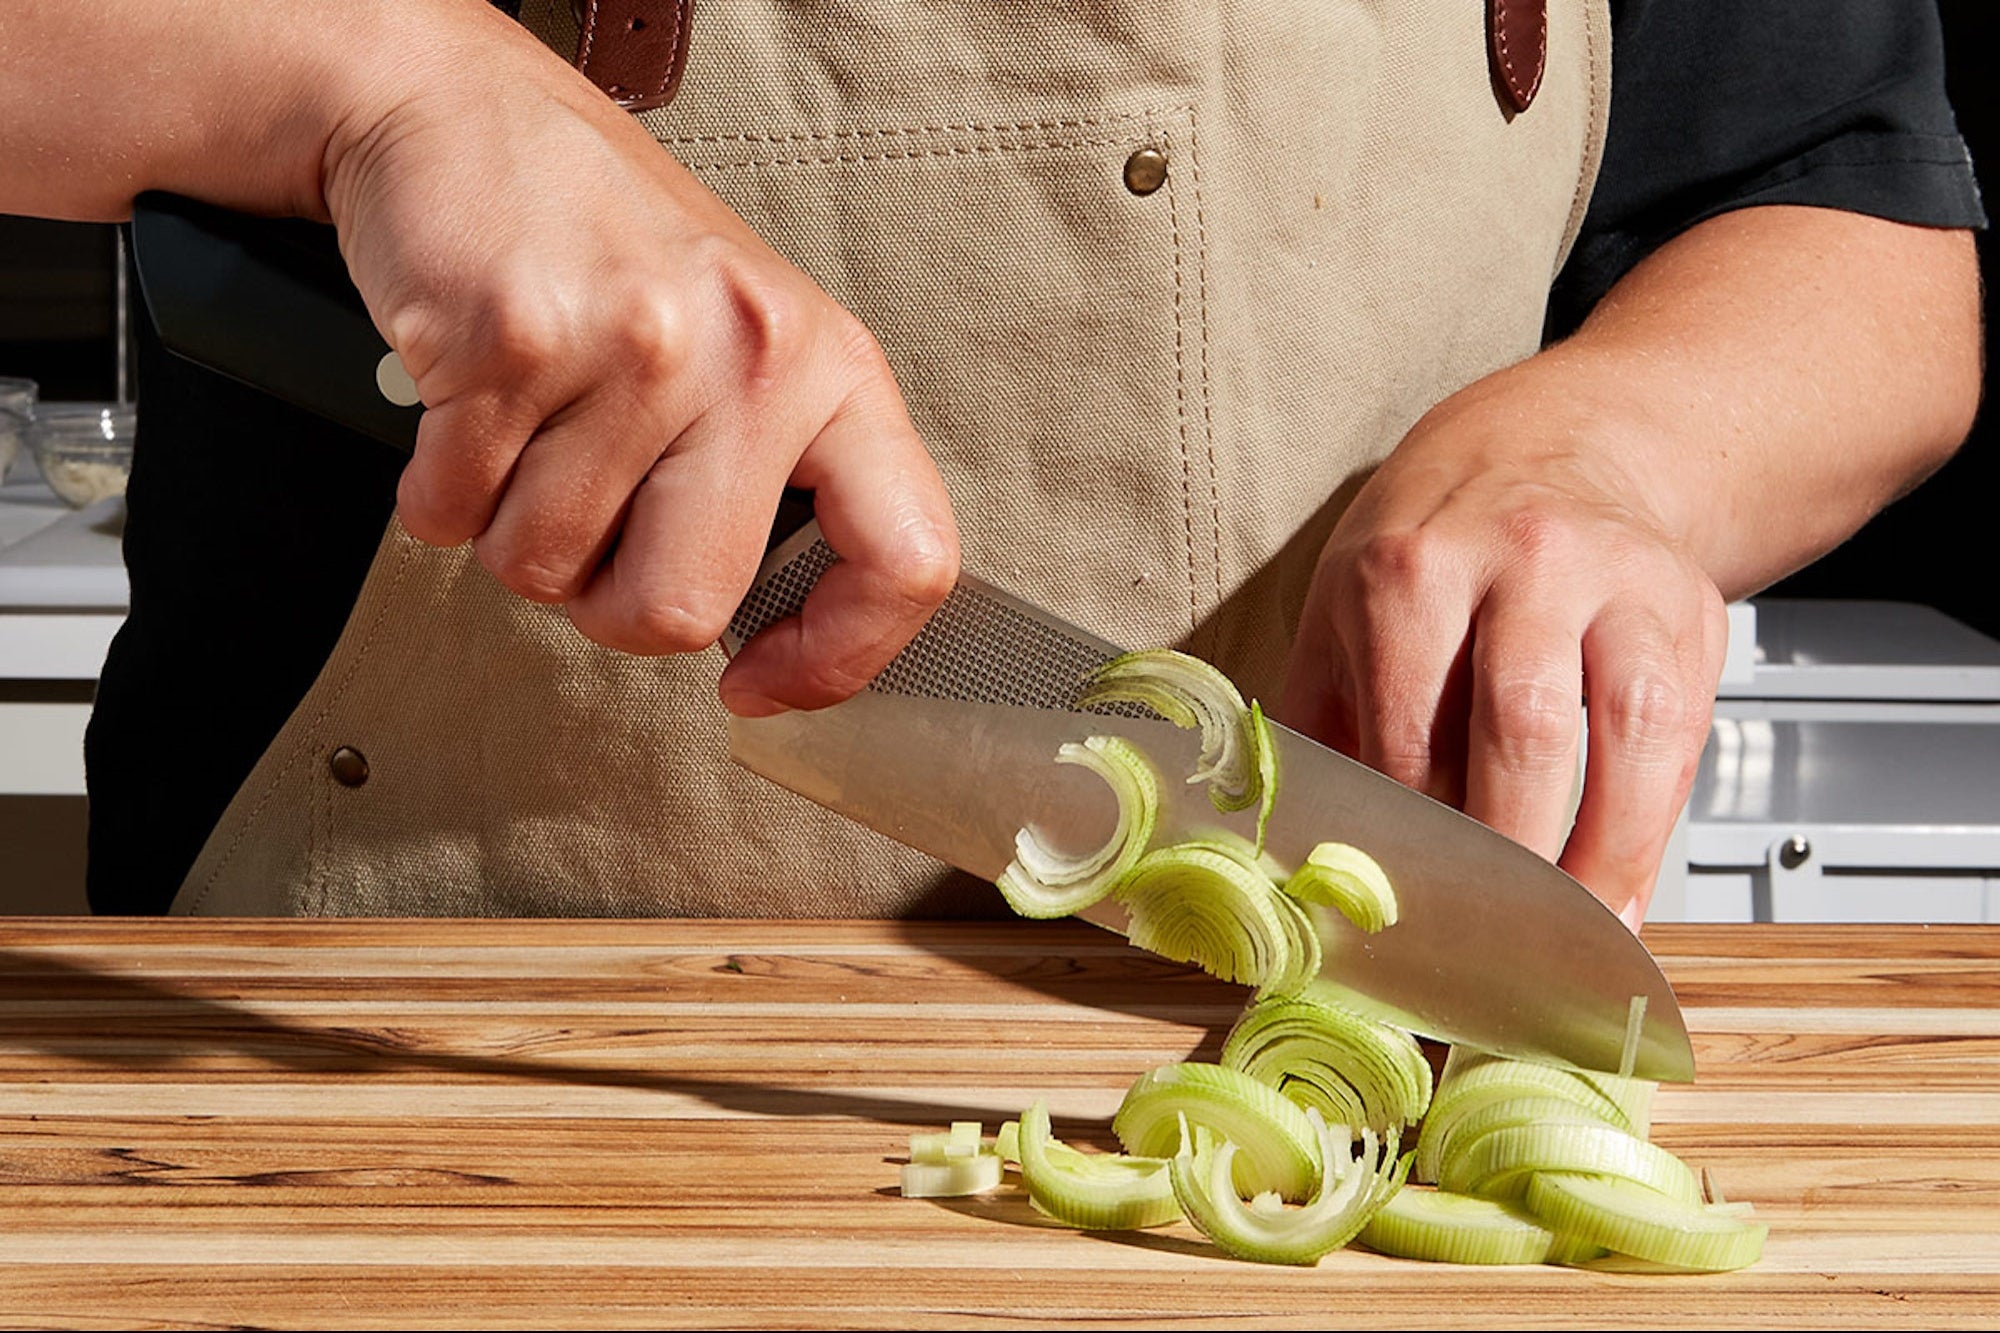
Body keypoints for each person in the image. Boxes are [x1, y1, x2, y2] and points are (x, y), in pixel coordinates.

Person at [1, 1, 1982, 924]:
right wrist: (383, 83)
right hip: (415, 1095)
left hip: (1305, 1090)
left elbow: (1840, 209)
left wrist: (1608, 443)